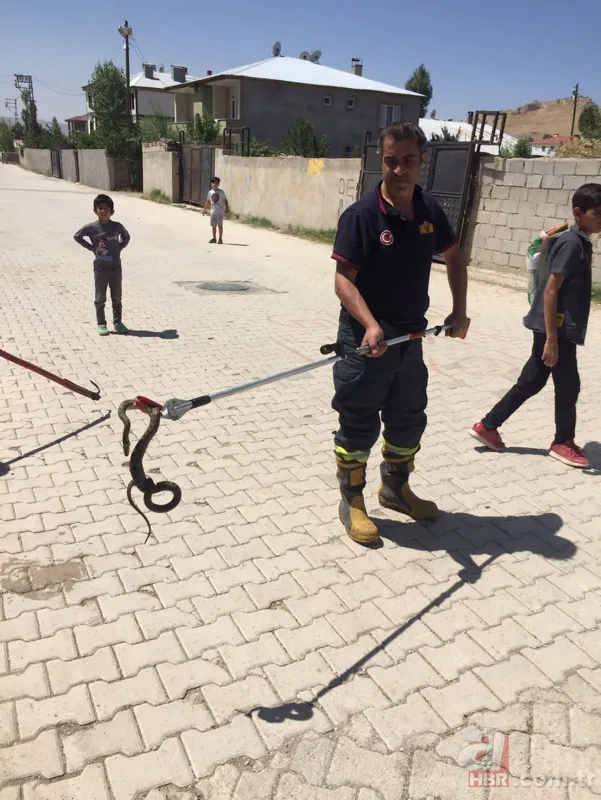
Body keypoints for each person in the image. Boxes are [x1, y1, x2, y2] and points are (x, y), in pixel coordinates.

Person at [331, 121, 470, 546]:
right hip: (367, 341)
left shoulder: (429, 210)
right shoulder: (362, 216)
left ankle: (395, 489)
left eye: (408, 161)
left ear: (422, 161)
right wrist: (370, 325)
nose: (399, 170)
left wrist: (459, 310)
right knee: (357, 423)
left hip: (411, 340)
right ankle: (351, 500)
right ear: (381, 160)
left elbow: (453, 255)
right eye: (391, 161)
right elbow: (343, 280)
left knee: (408, 419)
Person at [471, 183, 601, 468]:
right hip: (555, 328)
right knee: (568, 386)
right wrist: (552, 339)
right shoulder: (571, 243)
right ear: (579, 213)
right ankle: (562, 442)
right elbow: (551, 290)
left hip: (553, 326)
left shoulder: (578, 241)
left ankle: (488, 427)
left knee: (533, 379)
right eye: (597, 214)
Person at [74, 194, 130, 336]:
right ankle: (101, 323)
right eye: (100, 208)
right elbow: (77, 236)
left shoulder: (117, 226)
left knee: (117, 297)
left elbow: (126, 237)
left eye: (106, 209)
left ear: (112, 211)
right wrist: (91, 248)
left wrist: (120, 247)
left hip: (116, 267)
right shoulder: (91, 227)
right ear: (95, 211)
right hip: (101, 268)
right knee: (100, 298)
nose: (103, 211)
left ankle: (118, 322)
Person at [203, 177, 228, 244]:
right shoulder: (210, 192)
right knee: (213, 226)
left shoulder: (221, 192)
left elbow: (225, 200)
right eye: (213, 183)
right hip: (213, 212)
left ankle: (220, 239)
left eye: (216, 183)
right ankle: (214, 238)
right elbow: (208, 201)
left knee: (220, 225)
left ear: (218, 184)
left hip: (220, 212)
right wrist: (204, 209)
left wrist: (226, 209)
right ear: (211, 184)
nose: (215, 184)